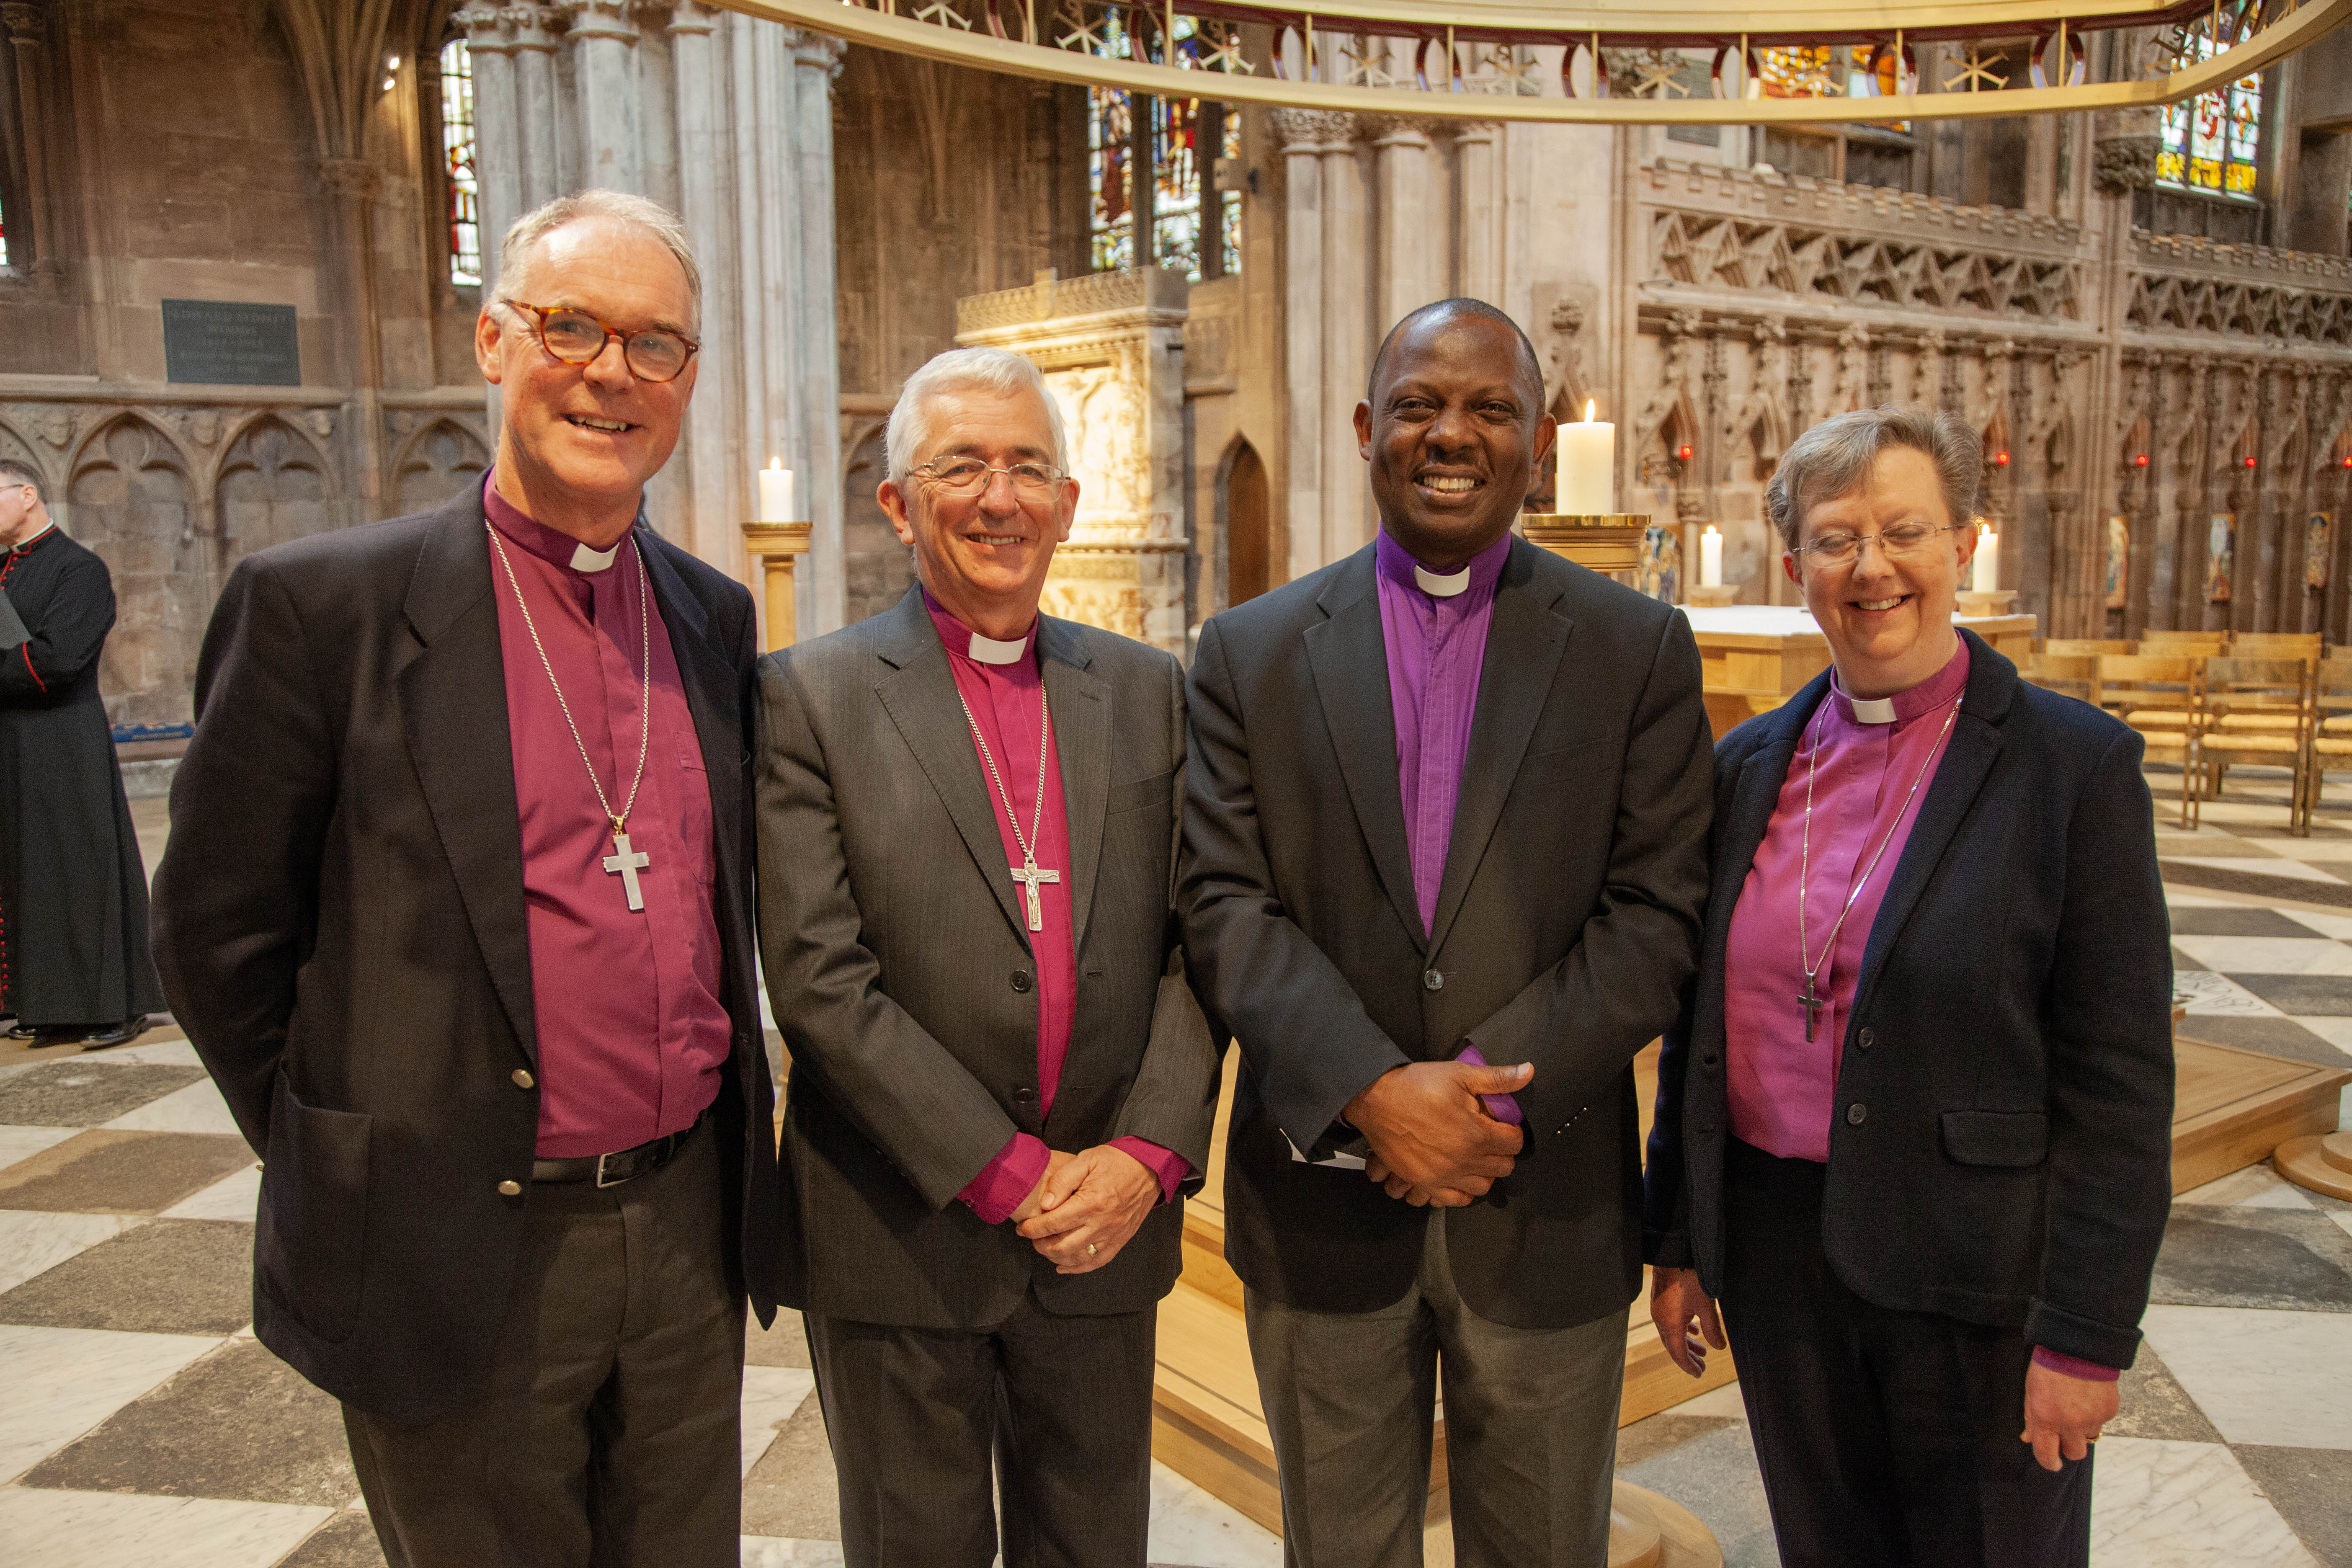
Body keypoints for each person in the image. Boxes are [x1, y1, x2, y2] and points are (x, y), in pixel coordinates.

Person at [150, 190, 783, 1568]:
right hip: (453, 1239)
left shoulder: (711, 617)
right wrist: (365, 1158)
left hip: (683, 1224)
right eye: (572, 326)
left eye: (655, 344)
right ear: (492, 339)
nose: (611, 371)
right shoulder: (326, 608)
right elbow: (215, 932)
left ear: (686, 381)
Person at [1181, 298, 1715, 1567]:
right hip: (1319, 1209)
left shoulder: (1635, 649)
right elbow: (1220, 900)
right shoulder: (1249, 651)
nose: (1450, 433)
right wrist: (1373, 1090)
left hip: (1545, 1202)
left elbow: (1656, 913)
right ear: (1368, 430)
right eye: (1419, 403)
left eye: (1490, 409)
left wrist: (1478, 1098)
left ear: (1536, 445)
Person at [1643, 405, 2174, 1568]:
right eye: (1836, 539)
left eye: (1905, 532)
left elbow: (2123, 1087)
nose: (1871, 567)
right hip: (1784, 1261)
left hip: (1977, 1279)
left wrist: (2086, 1338)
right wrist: (1682, 1234)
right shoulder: (1743, 767)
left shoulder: (2072, 769)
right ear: (1796, 569)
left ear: (1964, 546)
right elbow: (1700, 1027)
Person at [756, 346, 1219, 1568]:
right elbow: (818, 976)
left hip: (1106, 1232)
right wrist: (1006, 1172)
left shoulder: (1150, 691)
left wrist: (1148, 1155)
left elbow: (1202, 941)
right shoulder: (812, 696)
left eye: (1028, 468)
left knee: (1095, 1545)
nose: (1000, 497)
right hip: (901, 1232)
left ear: (1071, 505)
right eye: (961, 466)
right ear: (900, 503)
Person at [0, 456, 162, 1050]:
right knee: (29, 874)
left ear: (28, 495)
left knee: (78, 869)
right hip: (13, 740)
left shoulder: (79, 569)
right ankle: (46, 1003)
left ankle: (113, 1005)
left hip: (62, 738)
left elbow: (59, 659)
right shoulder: (3, 569)